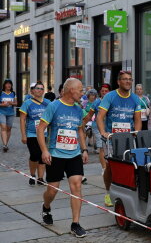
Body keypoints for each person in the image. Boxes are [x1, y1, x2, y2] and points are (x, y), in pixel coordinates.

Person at [36, 78, 89, 238]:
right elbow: (40, 129)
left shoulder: (79, 109)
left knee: (76, 186)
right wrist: (44, 151)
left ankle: (75, 223)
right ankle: (46, 207)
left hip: (73, 155)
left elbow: (79, 130)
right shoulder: (54, 106)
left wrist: (84, 149)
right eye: (80, 90)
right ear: (71, 90)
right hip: (56, 155)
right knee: (52, 191)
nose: (82, 93)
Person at [97, 71, 142, 207]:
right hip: (112, 138)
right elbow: (100, 117)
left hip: (128, 138)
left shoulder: (135, 98)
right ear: (118, 82)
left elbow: (138, 119)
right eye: (125, 79)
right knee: (110, 166)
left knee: (130, 165)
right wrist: (103, 132)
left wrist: (137, 132)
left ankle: (127, 191)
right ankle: (108, 192)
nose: (128, 82)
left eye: (130, 79)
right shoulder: (110, 96)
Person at [19, 81, 50, 186]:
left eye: (42, 88)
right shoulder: (27, 103)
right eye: (37, 88)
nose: (40, 90)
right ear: (33, 91)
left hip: (44, 134)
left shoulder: (48, 102)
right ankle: (32, 175)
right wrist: (23, 135)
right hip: (31, 133)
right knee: (34, 154)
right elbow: (22, 119)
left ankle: (41, 178)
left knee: (42, 155)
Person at [83, 83, 111, 176]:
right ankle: (104, 168)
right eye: (102, 91)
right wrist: (82, 124)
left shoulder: (112, 101)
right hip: (98, 127)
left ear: (109, 92)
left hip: (110, 127)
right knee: (102, 147)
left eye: (106, 91)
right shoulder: (97, 102)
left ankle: (111, 166)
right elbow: (89, 115)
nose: (104, 92)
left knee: (111, 148)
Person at [0, 79, 17, 152]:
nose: (8, 85)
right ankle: (5, 145)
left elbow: (16, 103)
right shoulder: (1, 93)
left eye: (10, 84)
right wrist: (2, 104)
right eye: (7, 84)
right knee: (3, 127)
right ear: (4, 85)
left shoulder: (13, 93)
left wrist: (11, 103)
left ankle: (6, 143)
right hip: (2, 112)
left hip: (10, 113)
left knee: (8, 129)